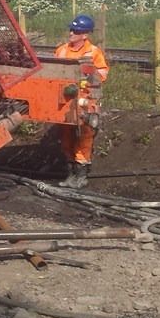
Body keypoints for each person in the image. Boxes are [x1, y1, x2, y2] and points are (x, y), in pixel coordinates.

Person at [55, 14, 109, 189]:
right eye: (71, 29)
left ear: (84, 34)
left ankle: (81, 174)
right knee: (66, 137)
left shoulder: (93, 52)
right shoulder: (62, 50)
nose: (71, 33)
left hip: (86, 99)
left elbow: (103, 74)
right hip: (65, 100)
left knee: (84, 137)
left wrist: (86, 78)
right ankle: (71, 172)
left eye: (75, 30)